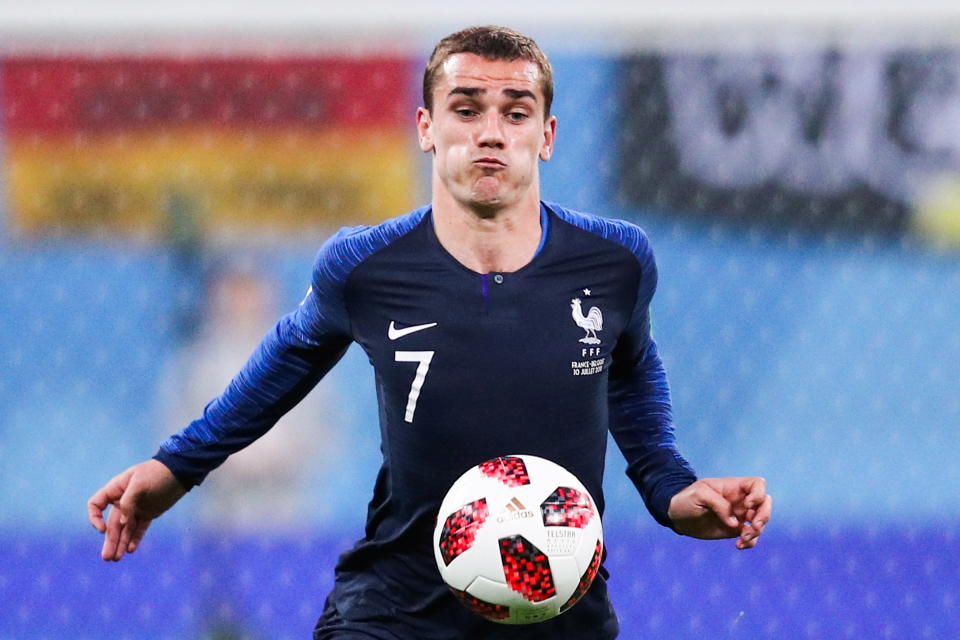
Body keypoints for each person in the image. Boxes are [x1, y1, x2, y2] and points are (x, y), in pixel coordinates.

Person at [88, 26, 773, 640]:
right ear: (426, 126)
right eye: (467, 109)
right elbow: (279, 370)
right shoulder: (365, 265)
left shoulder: (615, 261)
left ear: (548, 134)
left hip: (559, 605)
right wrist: (175, 469)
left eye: (516, 112)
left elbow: (628, 378)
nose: (491, 132)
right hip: (395, 606)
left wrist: (673, 491)